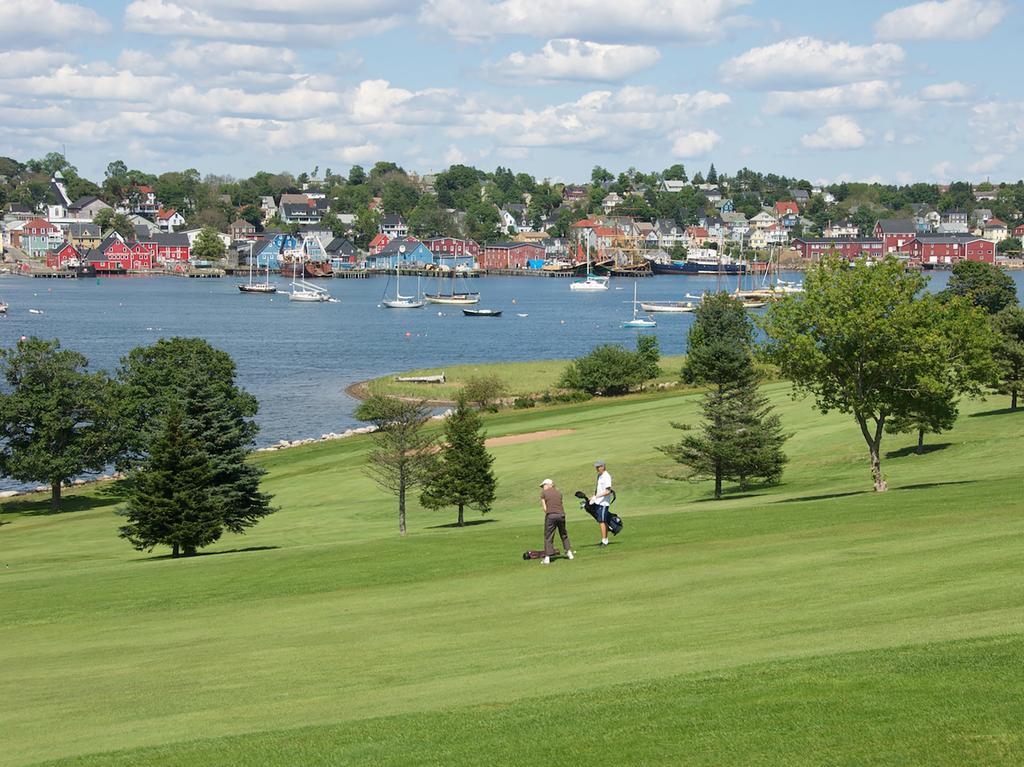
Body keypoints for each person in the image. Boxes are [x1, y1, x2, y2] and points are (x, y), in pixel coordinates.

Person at [539, 478, 573, 565]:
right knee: (563, 534)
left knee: (548, 536)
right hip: (561, 515)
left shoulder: (543, 493)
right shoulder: (559, 493)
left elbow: (545, 508)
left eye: (543, 486)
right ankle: (569, 553)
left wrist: (548, 514)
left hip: (551, 515)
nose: (543, 488)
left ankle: (547, 558)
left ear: (548, 485)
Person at [591, 460, 613, 546]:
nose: (597, 469)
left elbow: (608, 491)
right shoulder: (599, 476)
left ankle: (604, 541)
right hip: (598, 501)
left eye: (598, 467)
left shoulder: (606, 476)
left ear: (603, 467)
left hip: (604, 502)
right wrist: (593, 497)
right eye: (596, 467)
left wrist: (597, 496)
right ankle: (605, 539)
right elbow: (598, 489)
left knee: (602, 521)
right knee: (601, 521)